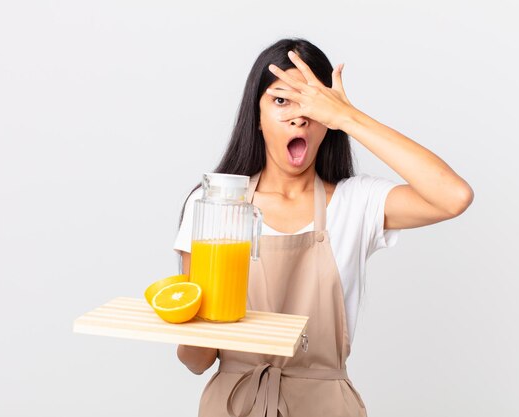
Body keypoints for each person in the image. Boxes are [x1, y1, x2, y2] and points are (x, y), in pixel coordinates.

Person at [173, 38, 473, 417]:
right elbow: (196, 360)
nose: (299, 116)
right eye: (282, 100)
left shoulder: (355, 203)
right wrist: (190, 325)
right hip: (234, 405)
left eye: (312, 102)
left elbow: (453, 196)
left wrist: (348, 117)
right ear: (257, 116)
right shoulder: (214, 203)